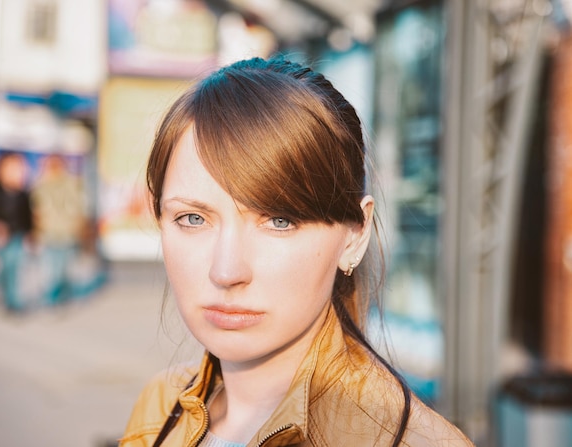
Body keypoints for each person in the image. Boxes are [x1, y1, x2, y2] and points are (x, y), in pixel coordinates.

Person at [120, 57, 474, 447]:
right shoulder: (158, 408)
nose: (226, 270)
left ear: (355, 234)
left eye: (280, 220)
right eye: (192, 218)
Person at [0, 152, 33, 313]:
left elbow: (27, 215)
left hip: (17, 235)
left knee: (15, 267)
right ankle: (5, 295)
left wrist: (30, 233)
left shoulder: (23, 193)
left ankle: (13, 301)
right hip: (0, 237)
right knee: (5, 268)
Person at [30, 154, 86, 305]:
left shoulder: (71, 184)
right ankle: (52, 298)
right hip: (48, 233)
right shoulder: (41, 185)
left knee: (63, 268)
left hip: (66, 233)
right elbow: (35, 210)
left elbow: (78, 207)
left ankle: (61, 295)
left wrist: (78, 227)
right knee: (50, 269)